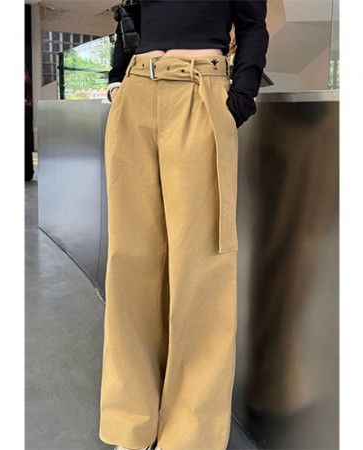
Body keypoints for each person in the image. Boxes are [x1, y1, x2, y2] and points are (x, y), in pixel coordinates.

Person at [99, 1, 269, 450]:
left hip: (199, 87)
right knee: (130, 263)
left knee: (200, 268)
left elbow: (253, 26)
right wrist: (116, 80)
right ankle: (132, 422)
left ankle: (190, 435)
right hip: (137, 89)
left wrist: (239, 99)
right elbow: (131, 15)